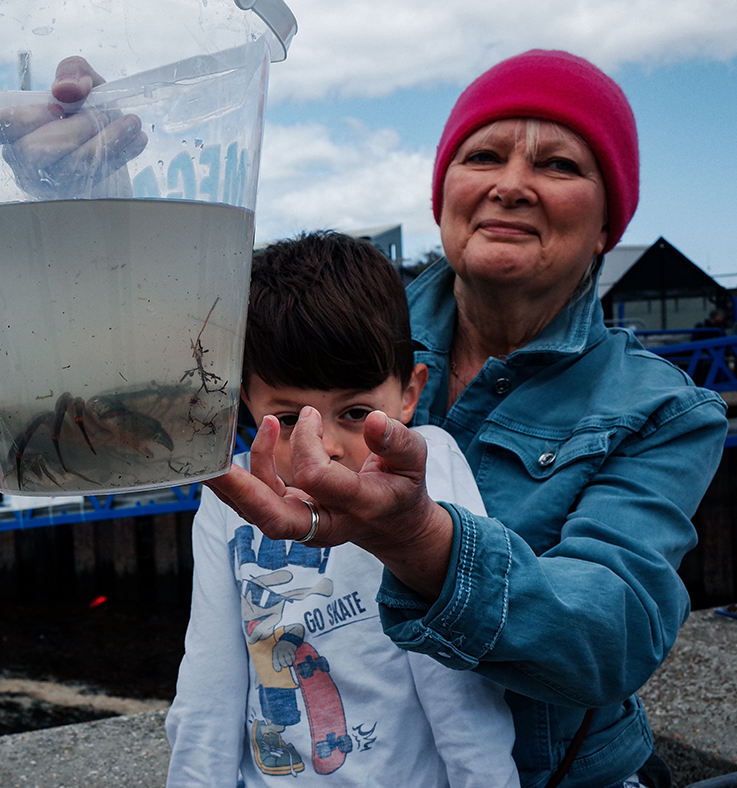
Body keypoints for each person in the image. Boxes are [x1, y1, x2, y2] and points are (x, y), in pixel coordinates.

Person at [201, 51, 729, 787]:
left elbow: (612, 638)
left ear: (609, 223)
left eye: (559, 165)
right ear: (442, 194)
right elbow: (140, 380)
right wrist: (76, 170)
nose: (510, 185)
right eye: (482, 156)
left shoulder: (664, 407)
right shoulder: (343, 323)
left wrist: (419, 540)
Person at [165, 231, 519, 787]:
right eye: (288, 418)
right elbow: (209, 681)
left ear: (410, 393)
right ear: (245, 404)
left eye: (354, 413)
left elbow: (459, 688)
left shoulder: (430, 466)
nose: (322, 448)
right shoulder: (229, 498)